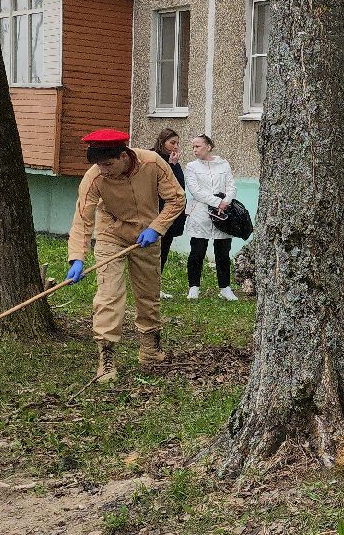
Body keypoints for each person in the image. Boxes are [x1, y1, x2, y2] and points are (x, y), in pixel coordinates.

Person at [65, 129, 186, 382]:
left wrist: (156, 227)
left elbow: (176, 199)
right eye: (99, 165)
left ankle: (150, 350)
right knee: (109, 295)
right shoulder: (95, 177)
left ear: (123, 156)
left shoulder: (153, 163)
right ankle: (106, 358)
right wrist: (77, 257)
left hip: (146, 237)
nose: (103, 170)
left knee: (148, 294)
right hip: (112, 236)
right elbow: (82, 219)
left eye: (108, 164)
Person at [182, 134, 239, 301]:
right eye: (193, 147)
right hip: (201, 213)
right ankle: (194, 286)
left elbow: (231, 185)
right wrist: (217, 202)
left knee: (223, 251)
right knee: (197, 251)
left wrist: (226, 201)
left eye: (198, 146)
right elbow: (195, 190)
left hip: (223, 214)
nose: (194, 150)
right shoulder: (191, 167)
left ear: (208, 146)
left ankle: (225, 287)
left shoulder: (223, 164)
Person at [152, 128, 187, 296]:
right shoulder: (153, 157)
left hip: (171, 211)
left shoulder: (173, 160)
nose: (175, 146)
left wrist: (174, 165)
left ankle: (156, 287)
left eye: (177, 143)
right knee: (153, 251)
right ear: (162, 141)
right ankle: (148, 286)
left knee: (164, 249)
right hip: (155, 209)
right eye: (172, 143)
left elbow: (179, 185)